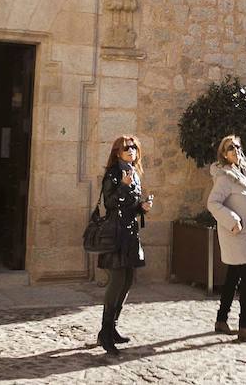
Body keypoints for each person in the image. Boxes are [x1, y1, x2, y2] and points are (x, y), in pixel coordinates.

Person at [206, 134, 246, 343]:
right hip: (236, 234)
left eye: (238, 147)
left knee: (233, 276)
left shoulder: (243, 175)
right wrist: (233, 220)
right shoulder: (225, 177)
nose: (235, 151)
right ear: (223, 153)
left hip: (245, 235)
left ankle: (221, 320)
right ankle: (245, 326)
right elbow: (213, 203)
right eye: (230, 148)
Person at [97, 134, 151, 355]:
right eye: (126, 148)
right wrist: (122, 186)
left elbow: (131, 206)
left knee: (128, 280)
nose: (131, 151)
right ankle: (105, 332)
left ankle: (113, 329)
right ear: (117, 152)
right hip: (115, 233)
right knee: (117, 280)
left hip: (130, 233)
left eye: (134, 147)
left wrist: (143, 207)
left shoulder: (134, 173)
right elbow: (109, 203)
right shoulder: (113, 173)